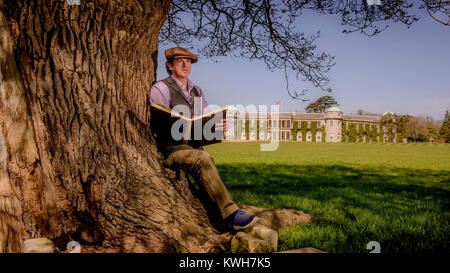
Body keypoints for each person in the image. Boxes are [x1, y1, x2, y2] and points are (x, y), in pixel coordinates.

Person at [150, 47, 258, 231]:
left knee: (204, 161)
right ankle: (232, 215)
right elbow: (158, 118)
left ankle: (218, 215)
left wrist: (218, 123)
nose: (185, 64)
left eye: (189, 61)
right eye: (180, 61)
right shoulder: (161, 88)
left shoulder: (196, 90)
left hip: (193, 146)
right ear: (169, 65)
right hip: (170, 148)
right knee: (203, 160)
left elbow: (204, 114)